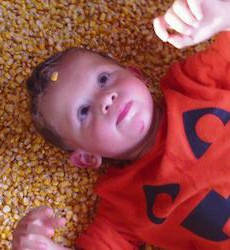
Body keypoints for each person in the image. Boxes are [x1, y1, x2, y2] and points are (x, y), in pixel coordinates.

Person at [12, 0, 230, 249]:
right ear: (86, 157)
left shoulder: (194, 84)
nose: (105, 99)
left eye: (103, 79)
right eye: (83, 112)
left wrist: (221, 14)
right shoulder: (122, 203)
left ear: (136, 75)